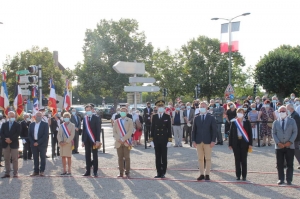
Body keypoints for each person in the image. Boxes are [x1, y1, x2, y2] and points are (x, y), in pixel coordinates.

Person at [273, 106, 298, 185]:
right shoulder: (275, 122)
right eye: (281, 111)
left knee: (290, 164)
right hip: (279, 146)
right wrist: (278, 143)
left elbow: (295, 132)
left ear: (287, 112)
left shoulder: (292, 121)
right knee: (279, 164)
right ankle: (281, 179)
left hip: (289, 146)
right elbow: (273, 133)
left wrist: (290, 141)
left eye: (284, 111)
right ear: (278, 112)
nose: (282, 112)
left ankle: (289, 180)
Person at [192, 102, 217, 181]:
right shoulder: (196, 118)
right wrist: (193, 140)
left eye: (204, 106)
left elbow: (214, 130)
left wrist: (213, 140)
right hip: (198, 141)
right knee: (200, 158)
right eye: (201, 106)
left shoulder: (211, 118)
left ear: (207, 108)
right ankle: (201, 174)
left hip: (208, 141)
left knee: (208, 158)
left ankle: (207, 174)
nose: (202, 107)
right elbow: (193, 130)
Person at [150, 100, 172, 178]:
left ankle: (163, 172)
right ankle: (158, 172)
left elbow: (169, 129)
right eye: (159, 107)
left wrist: (169, 140)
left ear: (164, 107)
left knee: (164, 156)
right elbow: (152, 128)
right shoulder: (155, 116)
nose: (160, 108)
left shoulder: (167, 116)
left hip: (164, 139)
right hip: (156, 139)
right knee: (158, 156)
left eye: (162, 107)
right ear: (156, 108)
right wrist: (151, 139)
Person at [229, 108, 253, 181]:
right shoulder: (234, 122)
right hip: (236, 142)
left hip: (244, 142)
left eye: (241, 112)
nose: (240, 113)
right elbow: (231, 134)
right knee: (237, 160)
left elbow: (250, 134)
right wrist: (230, 144)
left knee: (244, 159)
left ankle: (244, 175)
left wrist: (250, 143)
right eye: (239, 112)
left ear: (244, 113)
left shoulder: (247, 122)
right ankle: (238, 175)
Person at [113, 107, 134, 177]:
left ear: (127, 112)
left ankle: (127, 172)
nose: (123, 112)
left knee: (127, 157)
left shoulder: (130, 120)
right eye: (121, 111)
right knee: (120, 158)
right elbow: (114, 132)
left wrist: (123, 139)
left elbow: (130, 131)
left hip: (126, 141)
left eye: (124, 111)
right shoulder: (116, 121)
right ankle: (121, 172)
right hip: (118, 142)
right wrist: (119, 139)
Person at [82, 104, 101, 177]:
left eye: (89, 110)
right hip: (87, 139)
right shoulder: (85, 118)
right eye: (86, 110)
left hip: (94, 140)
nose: (88, 111)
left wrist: (97, 140)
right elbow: (84, 130)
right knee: (87, 155)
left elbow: (98, 130)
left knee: (95, 156)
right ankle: (88, 171)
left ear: (92, 110)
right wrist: (83, 141)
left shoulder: (96, 118)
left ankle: (95, 171)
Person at [0, 111, 21, 178]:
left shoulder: (17, 124)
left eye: (13, 116)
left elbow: (17, 133)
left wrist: (10, 139)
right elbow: (1, 133)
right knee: (6, 159)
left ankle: (15, 172)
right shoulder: (4, 124)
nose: (12, 117)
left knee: (15, 159)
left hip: (14, 143)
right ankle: (7, 172)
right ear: (8, 116)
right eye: (11, 116)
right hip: (5, 143)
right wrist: (6, 139)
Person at [29, 111, 49, 176]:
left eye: (40, 116)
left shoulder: (45, 124)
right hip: (33, 143)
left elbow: (45, 135)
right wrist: (33, 142)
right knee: (35, 157)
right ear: (35, 116)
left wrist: (38, 142)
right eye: (37, 116)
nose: (38, 117)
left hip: (42, 144)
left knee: (43, 157)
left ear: (42, 117)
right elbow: (29, 135)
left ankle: (42, 171)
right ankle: (36, 171)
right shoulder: (31, 124)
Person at [286, 104, 300, 170]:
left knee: (296, 150)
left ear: (291, 108)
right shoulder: (292, 115)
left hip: (295, 136)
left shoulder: (295, 115)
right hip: (292, 136)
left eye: (287, 108)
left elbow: (296, 127)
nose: (286, 110)